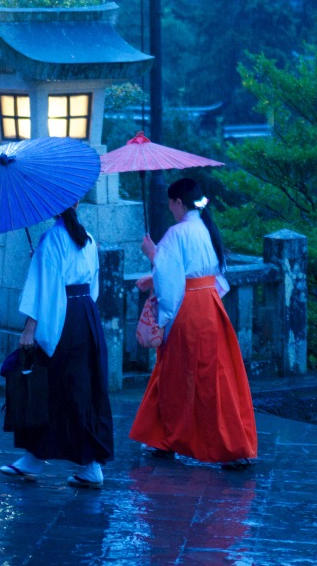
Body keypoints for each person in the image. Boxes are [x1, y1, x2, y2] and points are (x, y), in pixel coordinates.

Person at [129, 177, 257, 466]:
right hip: (209, 304)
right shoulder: (206, 229)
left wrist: (154, 257)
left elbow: (171, 282)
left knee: (177, 372)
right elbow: (211, 272)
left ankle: (184, 439)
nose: (170, 209)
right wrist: (158, 270)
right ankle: (167, 437)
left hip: (188, 308)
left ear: (178, 202)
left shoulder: (177, 233)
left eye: (171, 204)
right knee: (213, 375)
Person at [0, 203, 114, 488]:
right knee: (81, 389)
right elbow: (93, 287)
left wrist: (30, 327)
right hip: (85, 315)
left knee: (49, 386)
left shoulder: (52, 238)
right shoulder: (86, 238)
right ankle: (80, 463)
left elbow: (45, 286)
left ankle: (40, 459)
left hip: (61, 317)